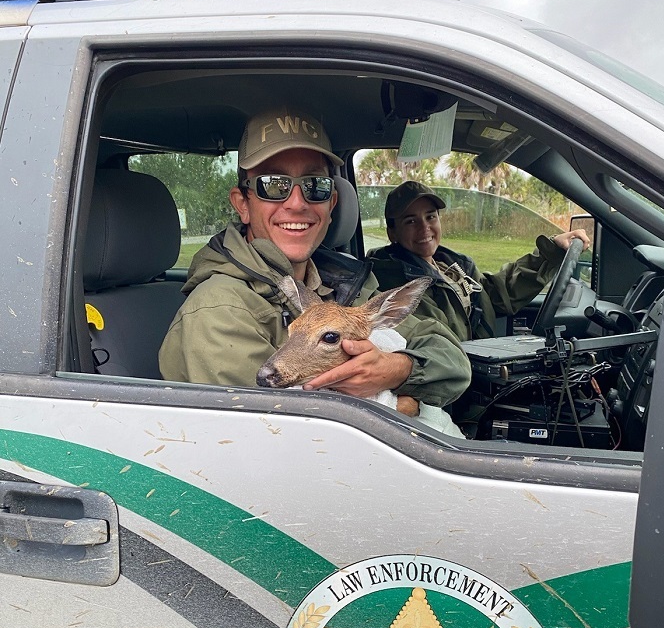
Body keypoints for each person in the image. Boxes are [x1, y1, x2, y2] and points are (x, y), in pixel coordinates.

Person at [159, 109, 471, 411]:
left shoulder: (344, 284)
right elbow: (283, 438)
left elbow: (455, 364)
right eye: (273, 185)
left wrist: (397, 368)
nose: (297, 203)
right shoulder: (218, 311)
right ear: (243, 203)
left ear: (331, 202)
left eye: (314, 186)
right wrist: (402, 402)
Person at [368, 180, 591, 342]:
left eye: (431, 216)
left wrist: (550, 252)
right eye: (410, 221)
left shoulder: (448, 265)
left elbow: (495, 295)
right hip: (463, 388)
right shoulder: (396, 282)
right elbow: (440, 342)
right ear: (392, 233)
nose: (425, 228)